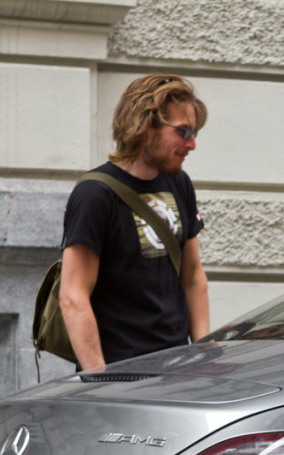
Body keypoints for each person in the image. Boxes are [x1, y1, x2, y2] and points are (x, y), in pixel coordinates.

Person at [59, 73, 211, 370]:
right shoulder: (95, 194)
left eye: (194, 133)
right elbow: (73, 297)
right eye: (182, 132)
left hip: (178, 372)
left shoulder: (179, 184)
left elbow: (193, 276)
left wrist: (203, 354)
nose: (191, 144)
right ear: (145, 128)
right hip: (122, 376)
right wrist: (100, 381)